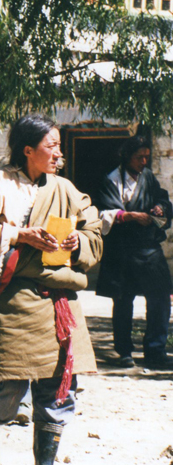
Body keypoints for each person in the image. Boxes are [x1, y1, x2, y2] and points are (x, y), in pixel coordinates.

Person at [0, 114, 102, 465]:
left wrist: (77, 240)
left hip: (57, 300)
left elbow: (94, 230)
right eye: (50, 145)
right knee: (9, 392)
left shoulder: (64, 188)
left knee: (57, 393)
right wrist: (18, 235)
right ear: (27, 150)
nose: (58, 153)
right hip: (12, 297)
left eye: (58, 145)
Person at [95, 136, 172, 369]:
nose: (143, 161)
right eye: (139, 157)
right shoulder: (111, 181)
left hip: (148, 249)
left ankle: (155, 350)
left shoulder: (148, 178)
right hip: (122, 251)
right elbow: (104, 211)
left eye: (146, 157)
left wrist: (161, 208)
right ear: (127, 157)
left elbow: (163, 200)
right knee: (123, 301)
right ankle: (124, 350)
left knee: (160, 299)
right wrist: (128, 216)